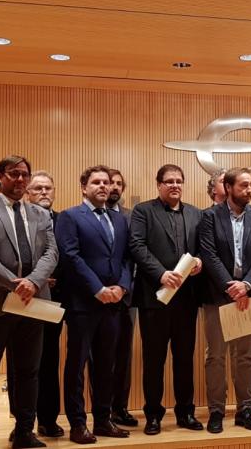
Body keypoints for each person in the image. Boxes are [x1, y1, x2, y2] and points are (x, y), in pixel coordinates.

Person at [0, 155, 58, 449]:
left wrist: (33, 282)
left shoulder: (42, 215)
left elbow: (51, 254)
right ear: (0, 176)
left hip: (34, 303)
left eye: (24, 174)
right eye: (13, 173)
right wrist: (15, 284)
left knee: (29, 371)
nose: (20, 179)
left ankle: (25, 431)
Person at [55, 166, 133, 443]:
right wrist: (97, 289)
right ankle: (78, 423)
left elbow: (126, 258)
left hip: (113, 303)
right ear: (83, 187)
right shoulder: (70, 216)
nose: (104, 186)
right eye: (97, 182)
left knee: (106, 364)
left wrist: (122, 287)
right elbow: (71, 257)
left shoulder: (119, 219)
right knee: (76, 365)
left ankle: (103, 419)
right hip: (83, 304)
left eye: (107, 182)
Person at [130, 164, 205, 435]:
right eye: (169, 181)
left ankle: (186, 412)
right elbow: (137, 246)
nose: (175, 185)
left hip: (186, 299)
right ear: (158, 184)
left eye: (179, 181)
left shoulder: (196, 213)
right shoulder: (143, 211)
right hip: (155, 297)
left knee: (185, 358)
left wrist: (199, 261)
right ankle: (153, 414)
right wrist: (161, 274)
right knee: (154, 359)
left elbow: (203, 249)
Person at [197, 167, 251, 434]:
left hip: (249, 296)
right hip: (219, 295)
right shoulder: (208, 217)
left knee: (247, 356)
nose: (249, 190)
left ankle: (245, 409)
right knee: (216, 356)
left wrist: (247, 284)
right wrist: (231, 286)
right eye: (243, 185)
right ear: (228, 188)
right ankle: (216, 411)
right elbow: (208, 253)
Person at [24, 171, 65, 438]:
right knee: (23, 363)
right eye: (37, 188)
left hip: (53, 299)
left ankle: (48, 419)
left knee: (50, 359)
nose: (43, 193)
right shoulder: (19, 218)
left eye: (48, 188)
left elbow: (70, 254)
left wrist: (55, 278)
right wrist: (35, 279)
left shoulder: (64, 220)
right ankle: (23, 422)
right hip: (23, 297)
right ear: (28, 193)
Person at [105, 168, 138, 428]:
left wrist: (123, 287)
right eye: (109, 183)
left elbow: (132, 256)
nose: (113, 187)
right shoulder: (83, 216)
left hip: (127, 296)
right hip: (96, 297)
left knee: (123, 356)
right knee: (99, 358)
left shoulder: (130, 217)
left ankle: (121, 408)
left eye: (118, 184)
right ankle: (101, 411)